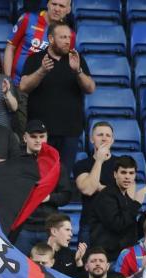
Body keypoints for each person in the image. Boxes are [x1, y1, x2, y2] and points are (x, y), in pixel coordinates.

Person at [19, 21, 93, 169]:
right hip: (41, 133)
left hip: (70, 130)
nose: (67, 41)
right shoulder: (35, 59)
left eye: (69, 37)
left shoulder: (76, 58)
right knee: (41, 174)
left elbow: (90, 88)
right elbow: (23, 86)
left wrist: (78, 71)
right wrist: (42, 71)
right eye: (63, 37)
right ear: (51, 39)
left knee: (64, 175)